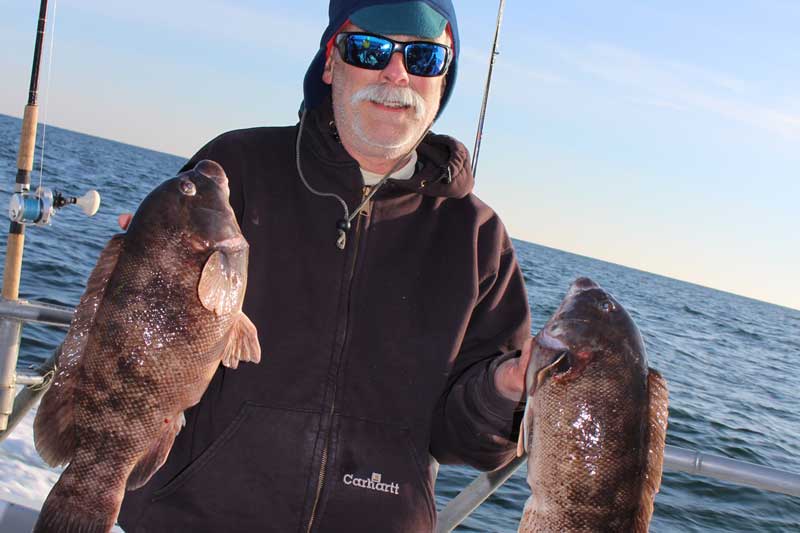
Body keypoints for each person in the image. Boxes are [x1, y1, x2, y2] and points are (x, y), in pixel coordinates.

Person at [118, 1, 532, 531]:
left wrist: (505, 391)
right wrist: (137, 279)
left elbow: (466, 442)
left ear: (443, 78)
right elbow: (138, 349)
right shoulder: (237, 168)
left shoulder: (478, 237)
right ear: (331, 62)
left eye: (424, 57)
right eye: (370, 49)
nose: (396, 72)